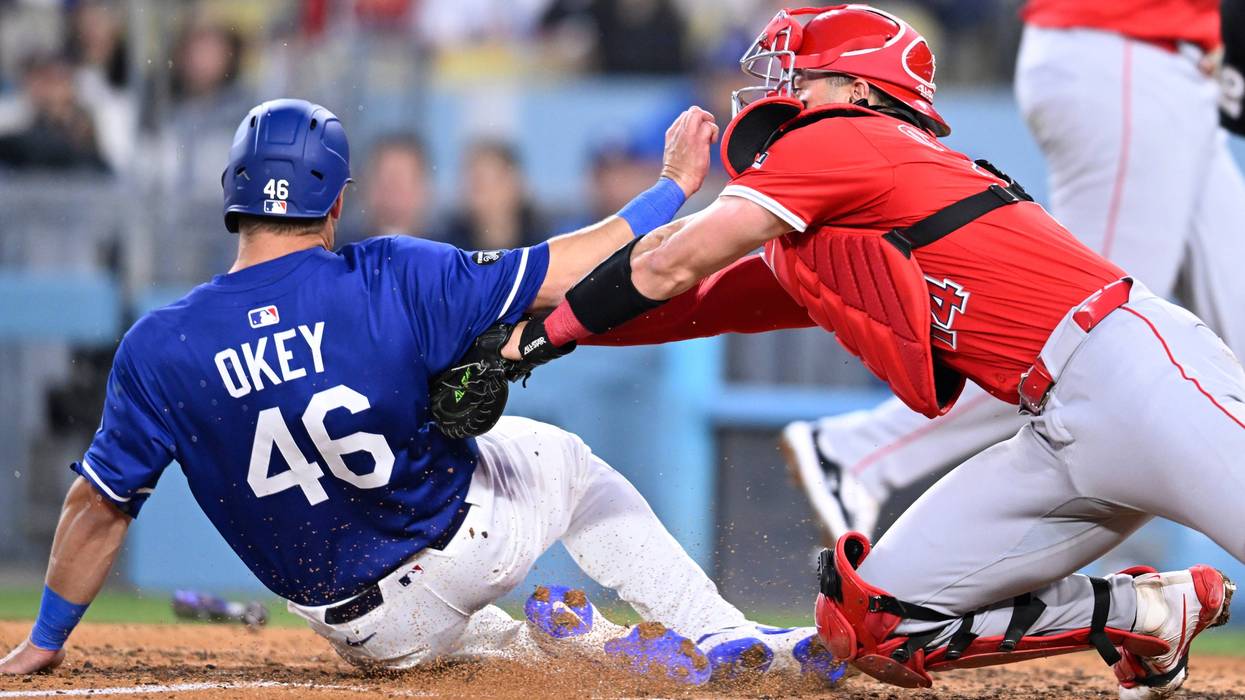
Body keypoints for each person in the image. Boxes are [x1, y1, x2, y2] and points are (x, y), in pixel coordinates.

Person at [467, 5, 1238, 696]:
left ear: (862, 92)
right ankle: (1145, 610)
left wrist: (536, 342)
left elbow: (673, 264)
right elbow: (690, 302)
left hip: (1137, 375)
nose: (787, 88)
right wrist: (501, 329)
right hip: (1055, 426)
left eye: (807, 76)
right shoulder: (823, 229)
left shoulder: (845, 137)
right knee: (878, 627)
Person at [0, 99, 843, 687]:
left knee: (475, 646)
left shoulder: (161, 344)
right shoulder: (392, 272)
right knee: (563, 461)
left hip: (363, 633)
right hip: (463, 544)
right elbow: (576, 266)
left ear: (233, 197)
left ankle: (596, 647)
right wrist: (671, 186)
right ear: (334, 201)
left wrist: (45, 639)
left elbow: (98, 506)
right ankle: (721, 632)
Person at [779, 0, 1245, 550]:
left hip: (1170, 61)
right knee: (1087, 334)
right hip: (1121, 47)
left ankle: (861, 453)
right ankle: (860, 452)